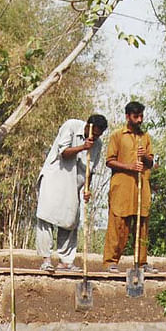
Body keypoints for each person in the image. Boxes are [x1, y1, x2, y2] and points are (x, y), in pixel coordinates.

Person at [35, 113, 108, 272]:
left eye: (98, 135)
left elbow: (91, 170)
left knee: (70, 222)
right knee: (45, 218)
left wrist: (87, 188)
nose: (95, 138)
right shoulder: (71, 126)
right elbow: (64, 152)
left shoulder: (98, 144)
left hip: (74, 185)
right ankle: (46, 260)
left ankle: (66, 262)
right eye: (93, 134)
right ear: (88, 126)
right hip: (55, 179)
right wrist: (83, 146)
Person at [102, 101, 157, 273]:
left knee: (141, 226)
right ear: (127, 117)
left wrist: (145, 156)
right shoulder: (117, 136)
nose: (139, 120)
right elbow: (109, 161)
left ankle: (141, 262)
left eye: (141, 116)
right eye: (136, 116)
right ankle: (111, 261)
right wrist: (130, 167)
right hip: (122, 188)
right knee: (118, 225)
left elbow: (150, 162)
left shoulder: (145, 137)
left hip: (141, 188)